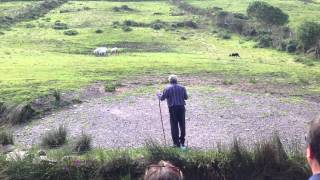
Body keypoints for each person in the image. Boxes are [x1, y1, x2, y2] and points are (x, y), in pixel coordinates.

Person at [157, 75, 188, 148]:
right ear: (176, 80)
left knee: (174, 126)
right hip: (181, 107)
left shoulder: (167, 88)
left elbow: (162, 98)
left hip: (173, 108)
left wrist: (158, 93)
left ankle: (176, 143)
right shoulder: (182, 87)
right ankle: (182, 141)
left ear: (169, 81)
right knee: (182, 125)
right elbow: (186, 97)